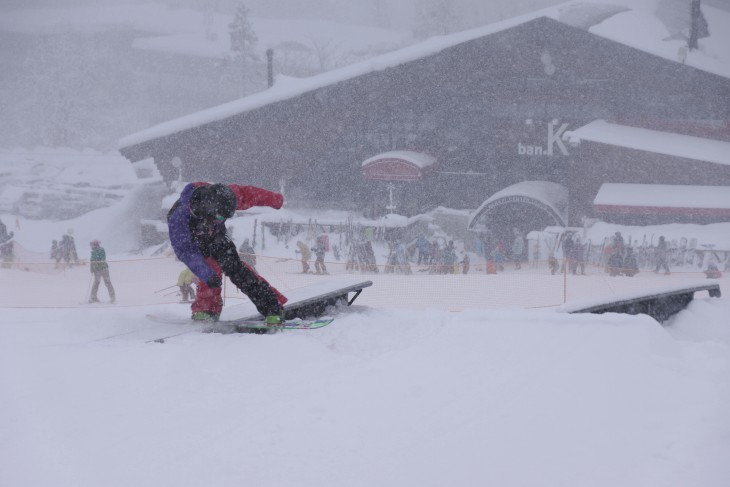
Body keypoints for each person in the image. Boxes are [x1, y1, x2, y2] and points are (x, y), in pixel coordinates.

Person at [167, 182, 287, 323]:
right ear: (207, 210)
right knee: (210, 271)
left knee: (237, 270)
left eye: (225, 217)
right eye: (219, 218)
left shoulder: (223, 196)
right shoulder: (179, 218)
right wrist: (206, 274)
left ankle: (272, 307)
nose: (222, 220)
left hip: (217, 237)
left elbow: (248, 194)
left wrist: (275, 199)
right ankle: (206, 310)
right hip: (195, 240)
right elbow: (185, 251)